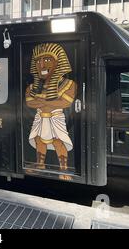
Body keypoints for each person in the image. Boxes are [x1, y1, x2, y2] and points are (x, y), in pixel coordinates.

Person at [25, 43, 77, 172]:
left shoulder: (69, 84)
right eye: (38, 61)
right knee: (39, 140)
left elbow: (65, 103)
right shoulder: (32, 87)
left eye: (47, 59)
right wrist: (50, 100)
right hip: (40, 117)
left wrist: (41, 99)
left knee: (58, 141)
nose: (41, 65)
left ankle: (64, 169)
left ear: (59, 63)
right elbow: (30, 103)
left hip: (56, 117)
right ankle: (40, 164)